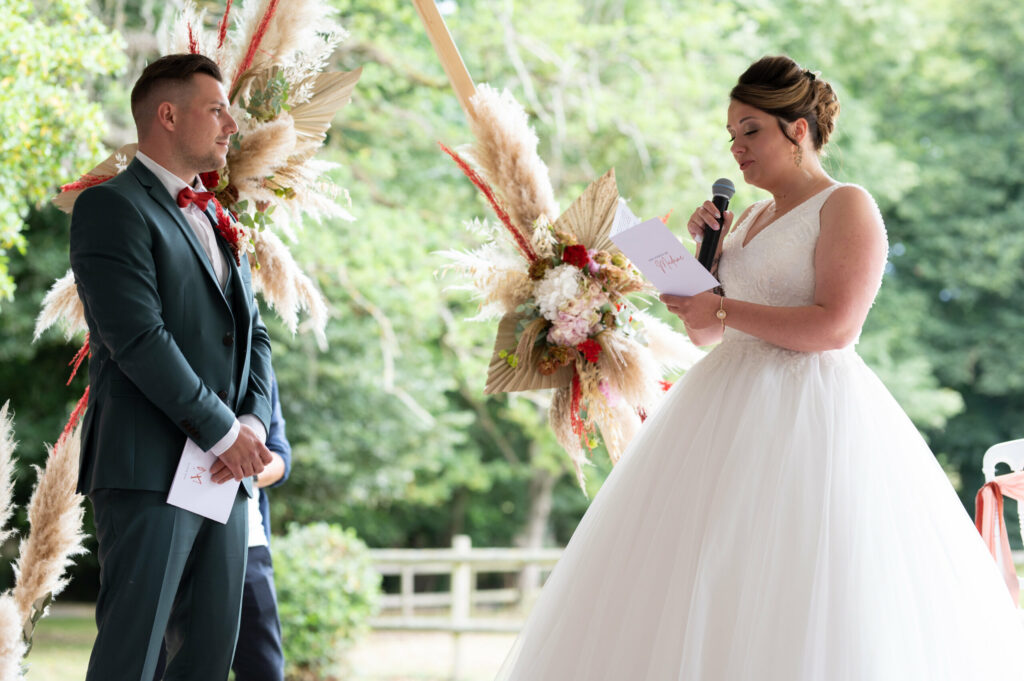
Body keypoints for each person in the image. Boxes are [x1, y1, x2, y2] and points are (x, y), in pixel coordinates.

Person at [495, 55, 1024, 680]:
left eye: (751, 130)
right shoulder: (742, 219)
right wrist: (697, 263)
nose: (737, 149)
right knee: (697, 570)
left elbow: (836, 327)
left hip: (809, 411)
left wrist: (720, 303)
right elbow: (703, 331)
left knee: (798, 570)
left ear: (797, 129)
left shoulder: (846, 205)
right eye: (731, 135)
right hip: (721, 406)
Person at [70, 53, 274, 681]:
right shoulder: (110, 208)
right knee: (134, 655)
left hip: (226, 474)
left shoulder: (218, 214)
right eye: (217, 109)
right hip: (149, 469)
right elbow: (137, 339)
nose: (231, 124)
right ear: (167, 114)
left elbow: (255, 337)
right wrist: (223, 433)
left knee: (210, 657)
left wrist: (255, 425)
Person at [154, 370, 292, 681]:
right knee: (164, 665)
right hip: (173, 534)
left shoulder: (260, 372)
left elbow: (281, 457)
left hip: (249, 544)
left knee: (264, 669)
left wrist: (239, 469)